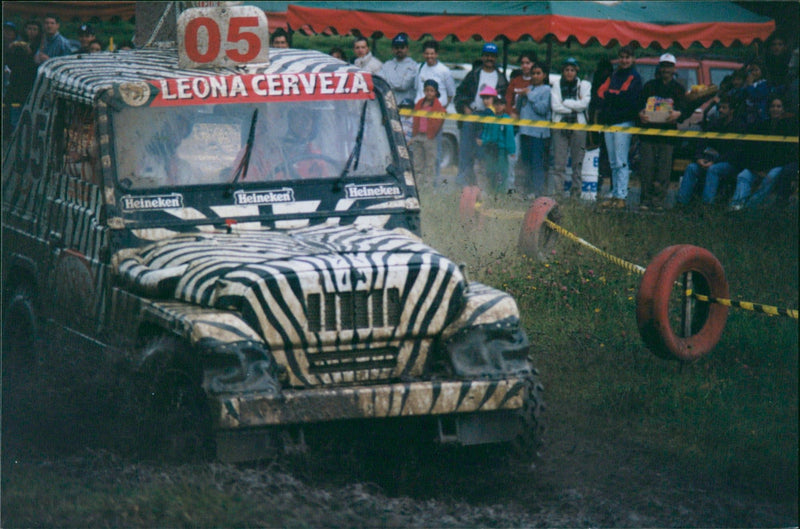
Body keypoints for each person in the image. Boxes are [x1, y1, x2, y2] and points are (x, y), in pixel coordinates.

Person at [453, 42, 509, 187]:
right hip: (472, 117)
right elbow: (459, 94)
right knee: (466, 153)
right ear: (482, 56)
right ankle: (462, 186)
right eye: (487, 55)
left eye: (492, 56)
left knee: (485, 155)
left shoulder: (501, 78)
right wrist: (464, 107)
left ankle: (485, 188)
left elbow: (505, 100)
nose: (489, 58)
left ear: (496, 58)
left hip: (490, 120)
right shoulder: (474, 74)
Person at [729, 95, 798, 211]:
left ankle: (749, 208)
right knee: (743, 176)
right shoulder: (762, 126)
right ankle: (736, 207)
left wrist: (766, 169)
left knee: (770, 177)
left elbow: (787, 154)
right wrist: (757, 168)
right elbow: (754, 149)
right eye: (772, 106)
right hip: (760, 165)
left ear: (783, 109)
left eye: (778, 106)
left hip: (778, 165)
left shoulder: (790, 127)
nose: (775, 109)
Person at [636, 53, 686, 211]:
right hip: (648, 134)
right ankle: (645, 200)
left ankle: (658, 201)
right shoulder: (649, 86)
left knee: (664, 170)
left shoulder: (679, 89)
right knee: (646, 168)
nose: (665, 69)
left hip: (668, 135)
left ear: (674, 69)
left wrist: (679, 114)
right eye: (663, 66)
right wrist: (640, 114)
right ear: (659, 67)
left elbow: (685, 109)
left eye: (669, 66)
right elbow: (638, 106)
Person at [675, 96, 743, 207]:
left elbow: (736, 152)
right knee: (691, 168)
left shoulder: (739, 126)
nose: (720, 110)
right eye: (719, 107)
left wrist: (715, 161)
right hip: (710, 160)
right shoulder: (714, 124)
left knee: (713, 170)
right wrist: (699, 158)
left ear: (732, 111)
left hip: (729, 163)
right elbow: (702, 142)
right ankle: (681, 203)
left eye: (724, 108)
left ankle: (706, 207)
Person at [596, 45, 642, 209]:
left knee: (621, 160)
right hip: (610, 122)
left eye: (627, 57)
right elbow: (601, 93)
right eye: (622, 57)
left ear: (633, 59)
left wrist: (612, 95)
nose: (624, 60)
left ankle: (621, 195)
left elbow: (628, 98)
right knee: (613, 161)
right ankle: (615, 194)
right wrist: (614, 95)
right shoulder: (614, 75)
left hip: (623, 122)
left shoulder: (634, 77)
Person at [550, 57, 591, 199]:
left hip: (578, 126)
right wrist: (574, 107)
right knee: (559, 163)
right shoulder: (556, 85)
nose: (569, 73)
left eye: (572, 70)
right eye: (566, 70)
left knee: (577, 163)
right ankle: (558, 193)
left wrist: (566, 103)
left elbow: (584, 104)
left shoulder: (584, 85)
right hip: (560, 125)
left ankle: (576, 194)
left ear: (576, 71)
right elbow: (555, 106)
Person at [414, 40, 455, 180]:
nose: (429, 56)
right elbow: (417, 90)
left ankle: (433, 185)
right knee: (419, 152)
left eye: (432, 53)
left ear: (436, 54)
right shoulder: (419, 68)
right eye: (427, 53)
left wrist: (440, 109)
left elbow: (450, 93)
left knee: (434, 154)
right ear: (423, 54)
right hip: (419, 116)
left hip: (435, 117)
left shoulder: (444, 71)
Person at [515, 60, 550, 197]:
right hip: (525, 132)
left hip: (538, 134)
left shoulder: (546, 90)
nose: (535, 76)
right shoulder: (529, 88)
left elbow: (542, 109)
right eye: (533, 73)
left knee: (537, 164)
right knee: (526, 163)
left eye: (538, 73)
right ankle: (527, 191)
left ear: (544, 75)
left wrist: (529, 95)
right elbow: (520, 108)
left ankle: (538, 192)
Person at [476, 89, 516, 194]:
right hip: (490, 148)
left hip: (502, 150)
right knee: (490, 171)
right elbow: (486, 131)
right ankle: (490, 191)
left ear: (504, 106)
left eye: (501, 104)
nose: (498, 107)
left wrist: (511, 150)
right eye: (496, 104)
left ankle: (501, 193)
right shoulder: (490, 118)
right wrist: (483, 140)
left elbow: (509, 136)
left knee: (502, 172)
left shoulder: (506, 119)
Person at [410, 80, 445, 186]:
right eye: (427, 90)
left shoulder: (438, 107)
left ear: (436, 92)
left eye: (432, 91)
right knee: (417, 163)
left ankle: (428, 186)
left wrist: (433, 133)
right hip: (418, 135)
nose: (429, 93)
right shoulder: (420, 103)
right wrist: (414, 135)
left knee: (430, 163)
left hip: (430, 137)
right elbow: (415, 119)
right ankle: (417, 185)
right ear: (424, 91)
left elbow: (440, 120)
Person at [2, 40, 37, 137]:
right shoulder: (31, 65)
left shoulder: (11, 64)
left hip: (15, 98)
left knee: (15, 122)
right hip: (23, 99)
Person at [379, 33, 418, 107]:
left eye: (402, 47)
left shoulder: (413, 66)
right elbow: (381, 83)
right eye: (396, 47)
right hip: (390, 106)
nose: (399, 50)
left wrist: (389, 81)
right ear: (393, 49)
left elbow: (403, 85)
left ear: (407, 48)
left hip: (407, 106)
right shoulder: (387, 65)